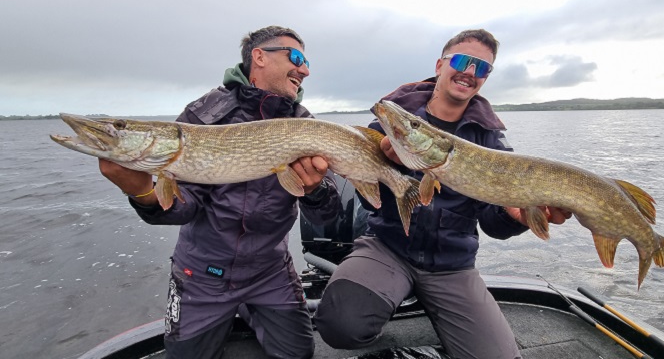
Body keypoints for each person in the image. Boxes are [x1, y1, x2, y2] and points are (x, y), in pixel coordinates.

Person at [314, 29, 572, 359]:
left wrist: (518, 217)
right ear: (440, 64)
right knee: (339, 324)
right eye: (463, 61)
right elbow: (368, 199)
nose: (469, 72)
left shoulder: (490, 141)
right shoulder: (396, 122)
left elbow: (493, 223)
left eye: (482, 68)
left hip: (452, 264)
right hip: (388, 248)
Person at [99, 25, 341, 359]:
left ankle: (250, 308)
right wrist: (143, 193)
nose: (305, 69)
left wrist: (313, 191)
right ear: (259, 57)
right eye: (296, 57)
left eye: (306, 60)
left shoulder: (305, 124)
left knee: (298, 353)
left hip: (270, 270)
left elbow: (327, 214)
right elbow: (186, 206)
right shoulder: (203, 115)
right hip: (202, 272)